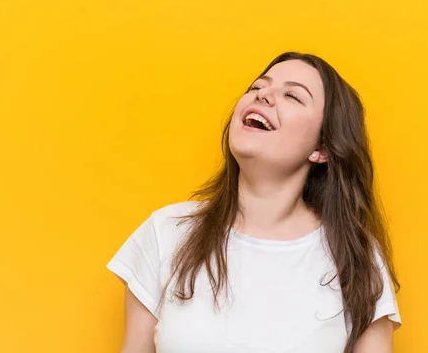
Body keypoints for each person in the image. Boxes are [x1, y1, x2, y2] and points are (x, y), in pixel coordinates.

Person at [107, 52, 401, 353]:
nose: (263, 96)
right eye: (257, 87)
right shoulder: (166, 232)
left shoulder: (355, 257)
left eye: (293, 96)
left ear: (322, 147)